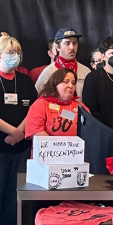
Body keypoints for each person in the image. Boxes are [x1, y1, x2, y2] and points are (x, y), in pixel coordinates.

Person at [0, 36, 37, 225]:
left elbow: (34, 109)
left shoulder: (25, 81)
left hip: (21, 148)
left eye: (17, 53)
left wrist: (20, 132)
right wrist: (12, 132)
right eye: (10, 52)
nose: (15, 56)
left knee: (16, 197)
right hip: (1, 147)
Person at [25, 68, 89, 138]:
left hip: (77, 148)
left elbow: (90, 130)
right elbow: (36, 131)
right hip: (48, 148)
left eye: (73, 83)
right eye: (66, 82)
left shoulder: (80, 106)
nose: (71, 86)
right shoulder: (41, 104)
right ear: (55, 85)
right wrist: (58, 146)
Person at [35, 28, 91, 100]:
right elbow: (37, 98)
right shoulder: (48, 72)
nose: (72, 47)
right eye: (67, 43)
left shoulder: (86, 71)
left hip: (79, 110)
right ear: (58, 47)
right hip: (55, 110)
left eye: (75, 43)